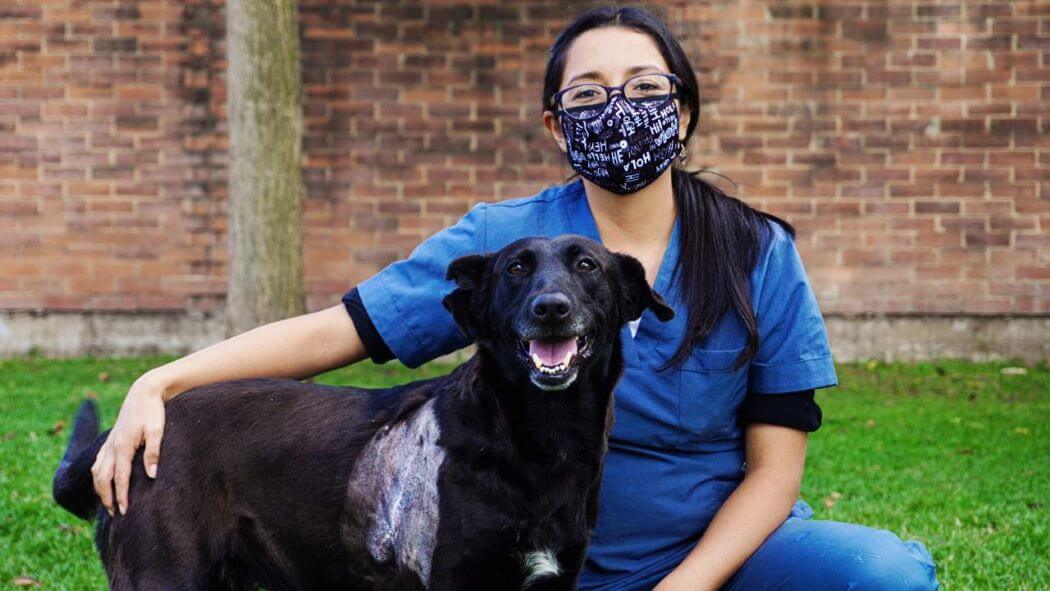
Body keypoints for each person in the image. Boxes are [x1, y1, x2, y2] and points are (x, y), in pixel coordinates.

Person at [92, 5, 939, 590]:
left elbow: (775, 472)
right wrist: (162, 381)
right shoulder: (506, 244)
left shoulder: (756, 251)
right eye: (588, 93)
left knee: (889, 574)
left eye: (646, 88)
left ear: (681, 113)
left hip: (713, 553)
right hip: (535, 556)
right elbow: (340, 330)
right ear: (554, 124)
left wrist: (686, 583)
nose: (619, 107)